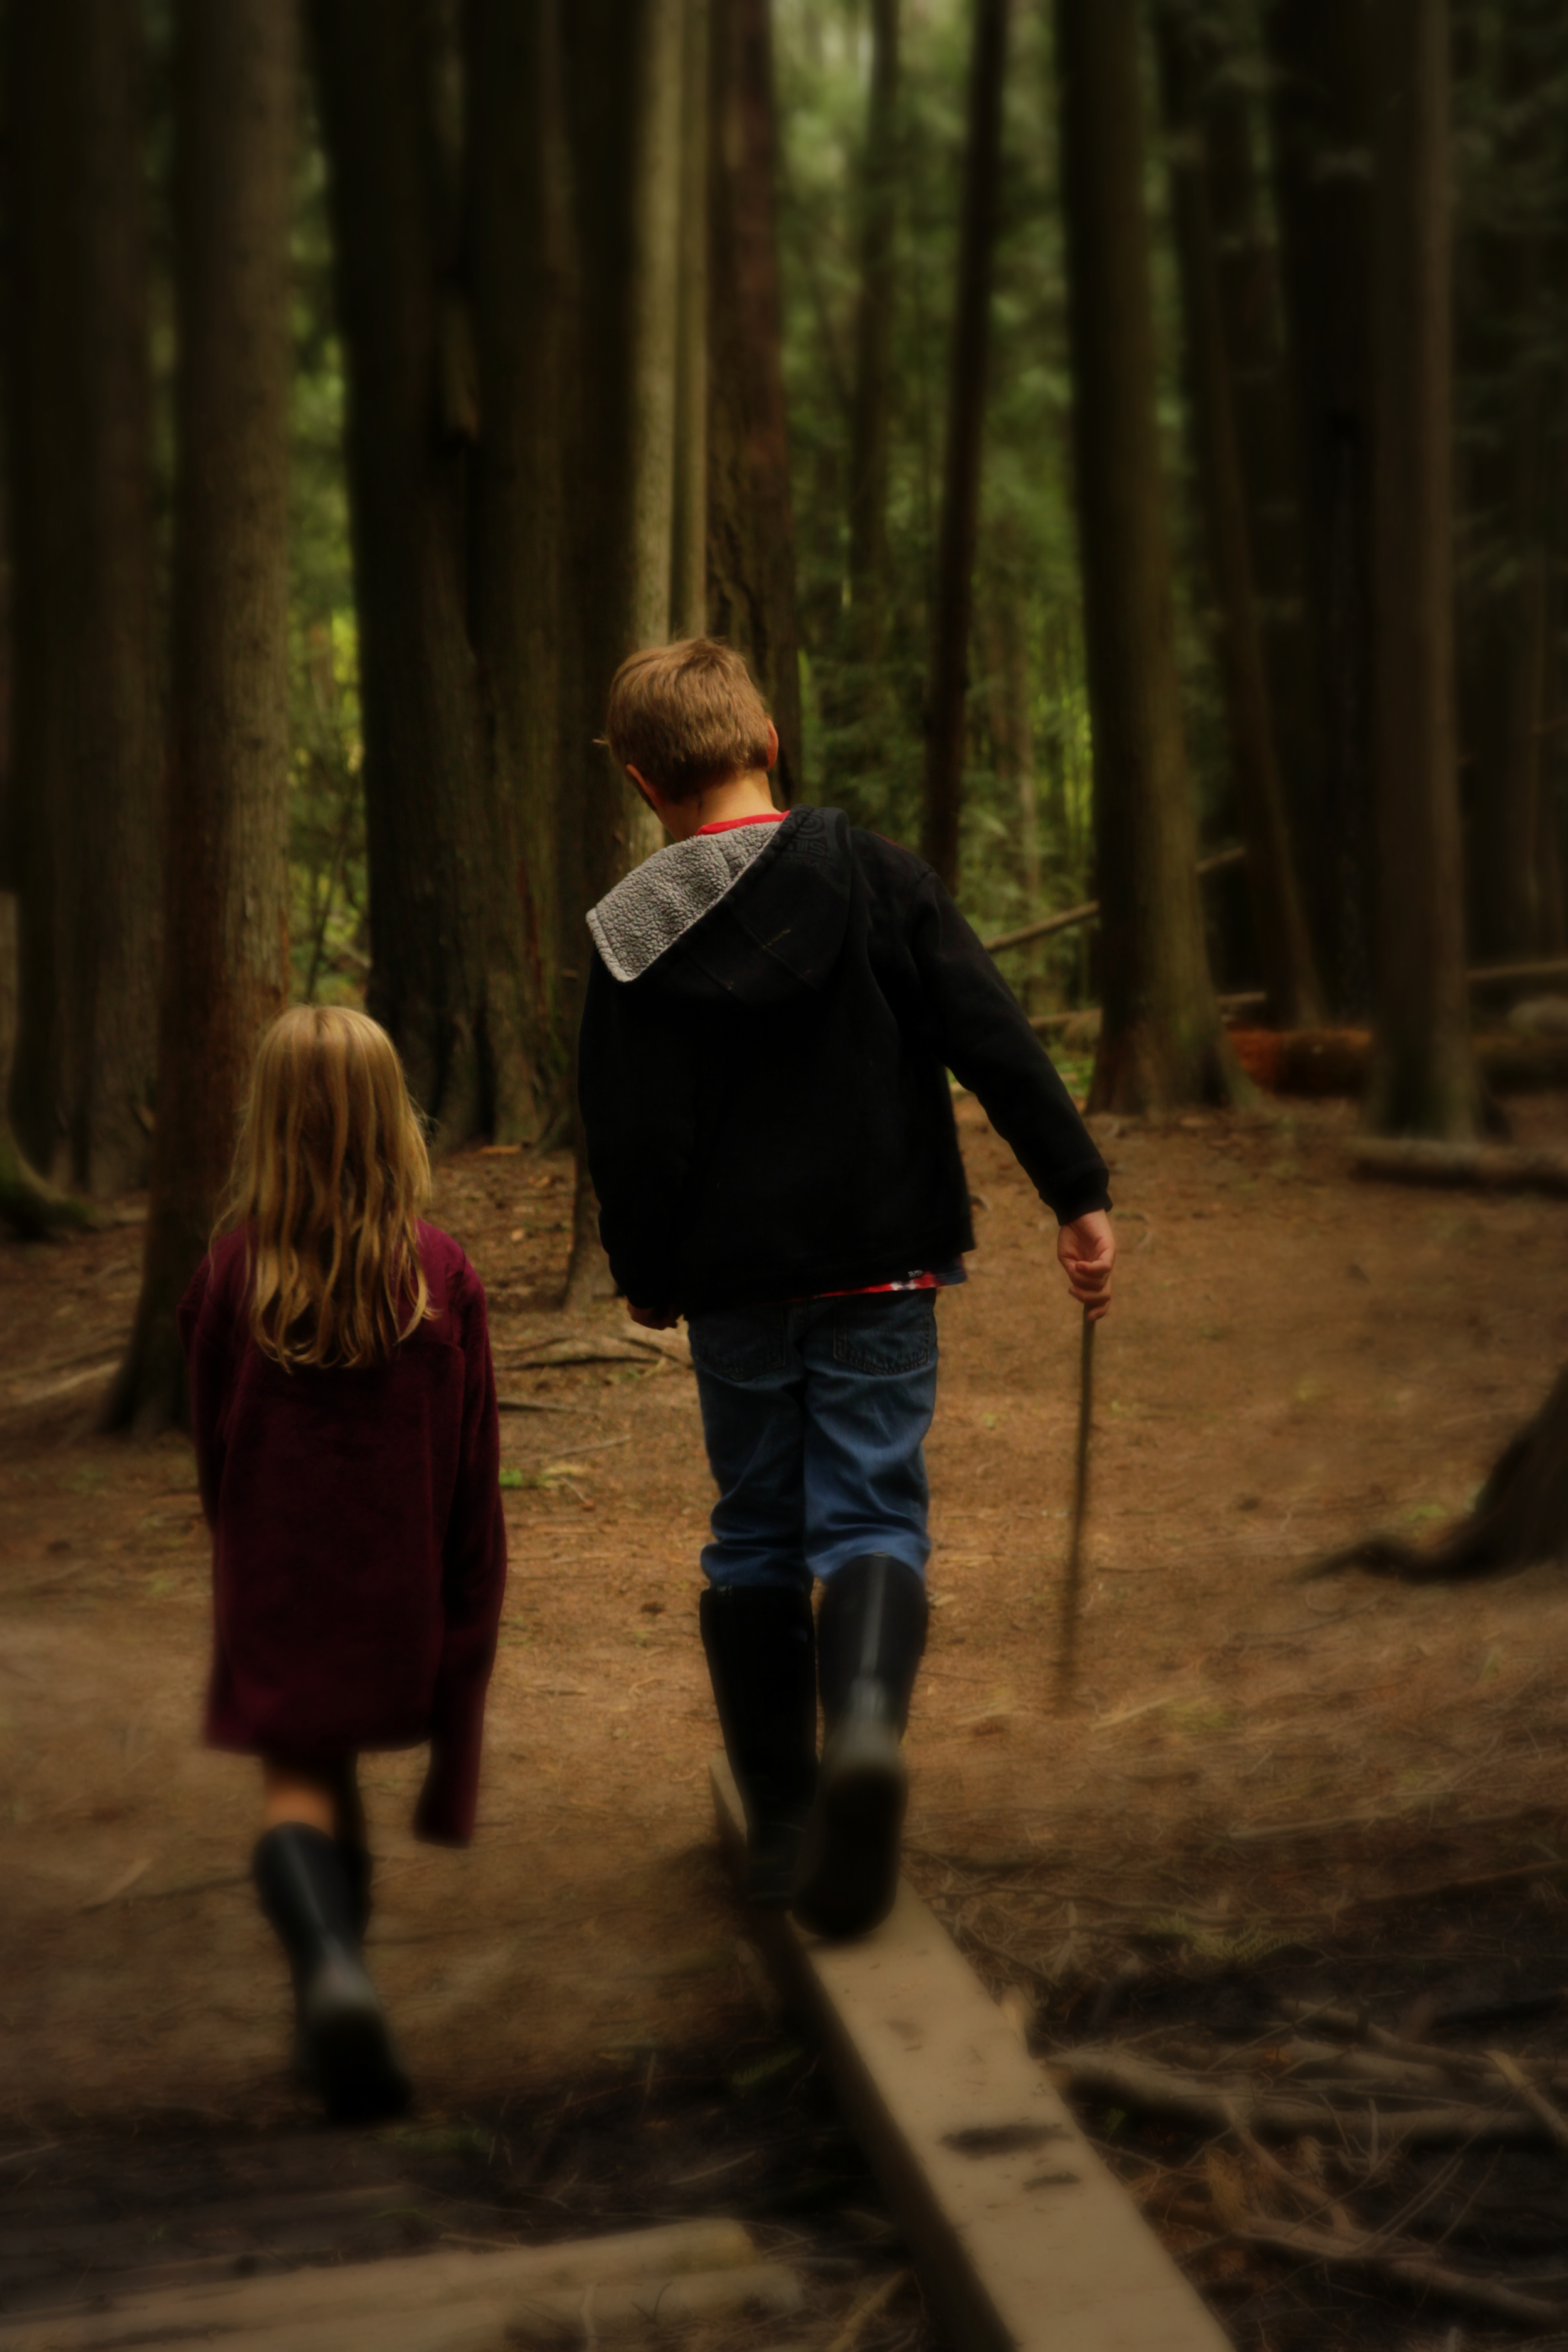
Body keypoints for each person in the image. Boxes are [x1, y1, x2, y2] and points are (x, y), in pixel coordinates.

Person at [578, 638, 1114, 1939]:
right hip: (881, 1259)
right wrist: (1075, 1192)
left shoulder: (635, 925)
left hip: (734, 1285)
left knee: (756, 1527)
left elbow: (627, 1124)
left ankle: (779, 1830)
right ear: (767, 740)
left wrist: (646, 1273)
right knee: (870, 1511)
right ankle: (866, 1733)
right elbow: (988, 1033)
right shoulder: (876, 878)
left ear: (648, 783)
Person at [179, 1007, 507, 2121]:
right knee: (337, 1773)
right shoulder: (442, 1272)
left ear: (270, 1127)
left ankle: (331, 1968)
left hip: (278, 1582)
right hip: (400, 1590)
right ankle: (345, 1992)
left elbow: (209, 1444)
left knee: (303, 1784)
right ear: (392, 1124)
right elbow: (474, 1465)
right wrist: (464, 1619)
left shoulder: (232, 1272)